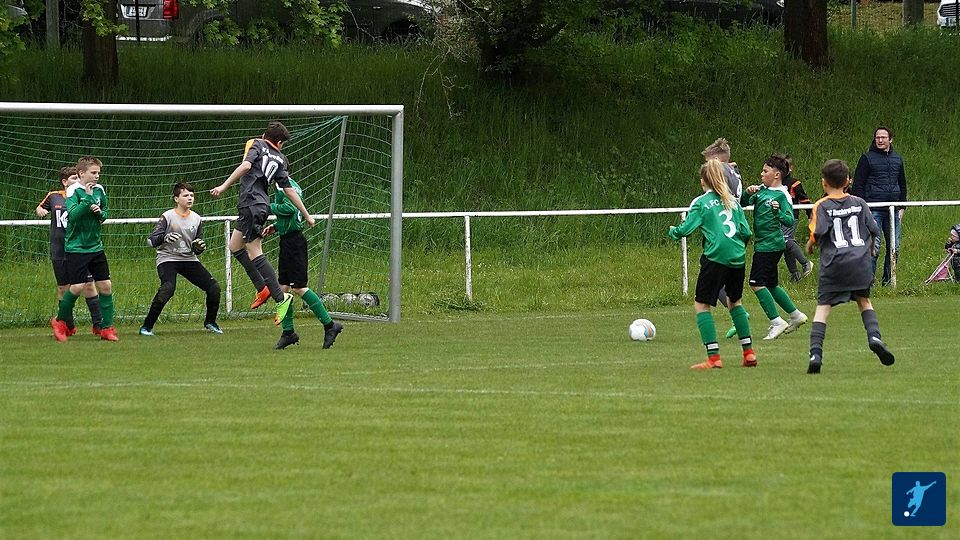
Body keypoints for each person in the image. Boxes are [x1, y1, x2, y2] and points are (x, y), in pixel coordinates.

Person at [210, 121, 315, 339]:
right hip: (256, 205)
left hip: (251, 203)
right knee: (234, 245)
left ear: (264, 136)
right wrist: (306, 214)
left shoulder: (257, 144)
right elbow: (289, 190)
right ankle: (262, 287)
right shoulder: (281, 159)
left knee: (254, 250)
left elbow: (246, 167)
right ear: (279, 143)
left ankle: (280, 298)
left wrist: (223, 186)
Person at [805, 159, 895, 374]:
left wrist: (809, 245)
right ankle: (874, 338)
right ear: (847, 181)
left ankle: (815, 354)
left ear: (824, 182)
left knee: (823, 308)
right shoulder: (860, 203)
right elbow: (873, 230)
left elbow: (818, 232)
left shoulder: (821, 205)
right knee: (864, 302)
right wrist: (871, 250)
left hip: (834, 264)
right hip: (860, 263)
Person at [668, 159, 755, 370]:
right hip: (737, 258)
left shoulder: (701, 202)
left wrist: (673, 232)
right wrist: (737, 249)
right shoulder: (732, 201)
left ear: (702, 181)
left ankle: (714, 358)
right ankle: (749, 353)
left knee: (701, 305)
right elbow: (746, 232)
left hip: (715, 257)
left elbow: (686, 229)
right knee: (735, 302)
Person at [262, 177, 343, 350]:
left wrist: (269, 207)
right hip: (287, 240)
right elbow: (293, 215)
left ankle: (330, 325)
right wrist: (277, 226)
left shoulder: (283, 186)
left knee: (299, 288)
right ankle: (288, 332)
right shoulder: (290, 185)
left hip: (295, 243)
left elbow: (291, 208)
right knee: (282, 288)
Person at [139, 183, 222, 336]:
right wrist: (165, 237)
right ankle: (147, 326)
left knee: (214, 288)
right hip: (168, 258)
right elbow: (150, 241)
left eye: (192, 195)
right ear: (176, 199)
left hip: (189, 259)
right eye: (185, 195)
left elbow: (197, 246)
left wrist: (199, 247)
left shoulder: (197, 219)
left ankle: (210, 322)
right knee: (167, 289)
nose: (190, 198)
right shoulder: (168, 216)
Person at [50, 157, 119, 342]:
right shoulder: (73, 190)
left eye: (98, 173)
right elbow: (72, 216)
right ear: (81, 173)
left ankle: (106, 328)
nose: (97, 176)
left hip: (96, 246)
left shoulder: (100, 190)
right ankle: (60, 321)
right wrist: (87, 199)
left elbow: (105, 214)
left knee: (105, 285)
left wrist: (100, 213)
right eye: (93, 173)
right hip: (76, 247)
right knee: (77, 287)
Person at [741, 155, 808, 340]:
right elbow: (743, 203)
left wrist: (777, 212)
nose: (761, 174)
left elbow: (789, 219)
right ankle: (796, 315)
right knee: (771, 284)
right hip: (764, 244)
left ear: (776, 174)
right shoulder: (762, 190)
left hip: (770, 245)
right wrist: (747, 192)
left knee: (756, 283)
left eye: (765, 171)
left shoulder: (782, 195)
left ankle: (776, 321)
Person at [36, 166, 103, 336]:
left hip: (79, 247)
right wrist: (41, 211)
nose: (77, 181)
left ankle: (98, 324)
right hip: (60, 249)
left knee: (88, 285)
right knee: (63, 288)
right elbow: (40, 207)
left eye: (77, 178)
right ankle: (68, 325)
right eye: (73, 178)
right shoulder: (54, 196)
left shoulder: (83, 195)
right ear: (65, 182)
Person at [701, 138, 750, 339]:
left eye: (708, 163)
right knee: (727, 279)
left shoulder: (720, 171)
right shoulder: (734, 171)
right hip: (735, 229)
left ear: (715, 160)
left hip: (720, 227)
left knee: (711, 279)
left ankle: (737, 312)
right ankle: (737, 311)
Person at [851, 126, 907, 286]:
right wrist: (864, 208)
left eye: (883, 137)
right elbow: (858, 185)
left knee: (895, 247)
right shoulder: (866, 158)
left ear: (890, 139)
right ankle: (869, 282)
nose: (880, 140)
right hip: (873, 209)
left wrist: (902, 207)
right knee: (873, 247)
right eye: (877, 137)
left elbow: (902, 183)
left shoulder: (897, 159)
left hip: (893, 210)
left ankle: (888, 282)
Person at [779, 155, 814, 282]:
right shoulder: (775, 183)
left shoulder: (794, 183)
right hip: (778, 217)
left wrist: (810, 215)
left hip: (791, 216)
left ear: (790, 168)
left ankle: (805, 263)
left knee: (786, 239)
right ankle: (794, 273)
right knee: (785, 245)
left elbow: (805, 200)